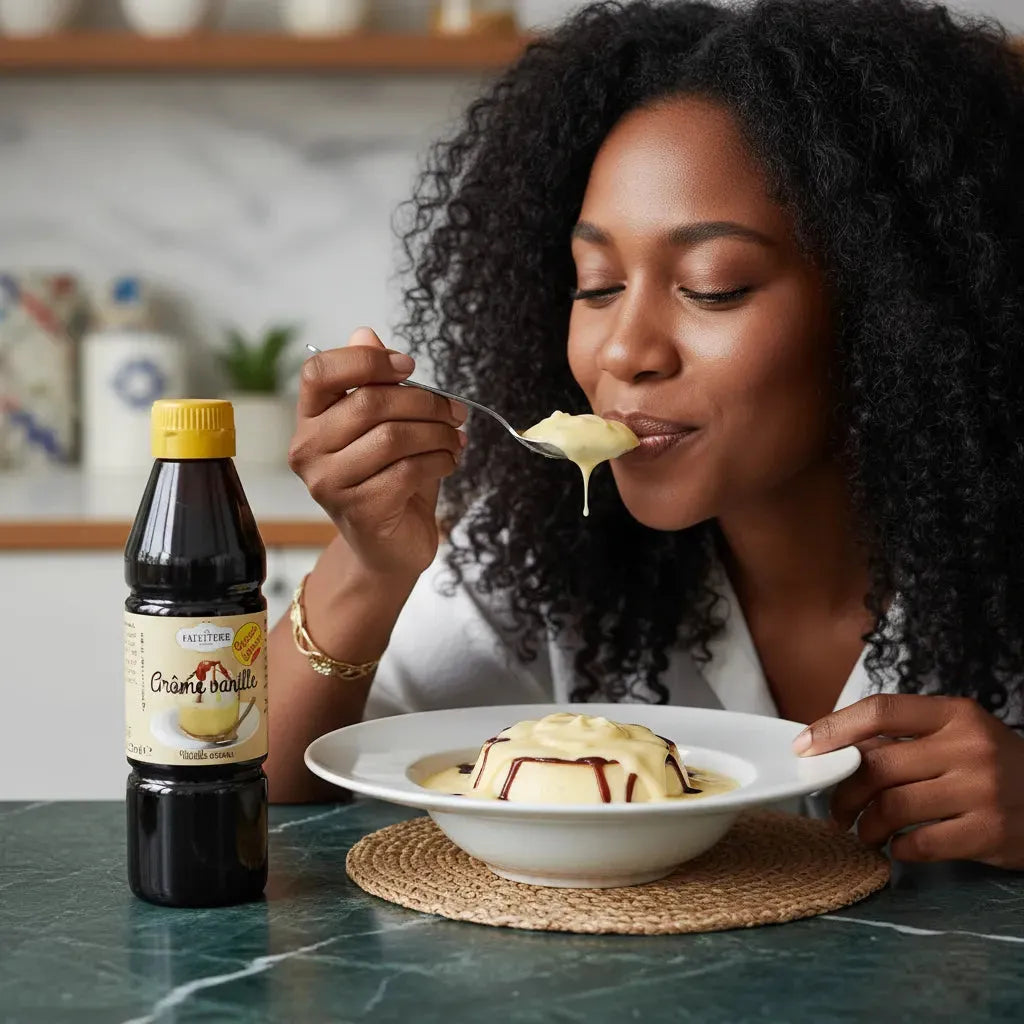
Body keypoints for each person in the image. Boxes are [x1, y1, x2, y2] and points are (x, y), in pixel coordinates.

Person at [267, 0, 1024, 868]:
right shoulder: (547, 561)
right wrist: (368, 565)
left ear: (896, 307)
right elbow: (269, 799)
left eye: (712, 286)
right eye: (596, 286)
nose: (623, 352)